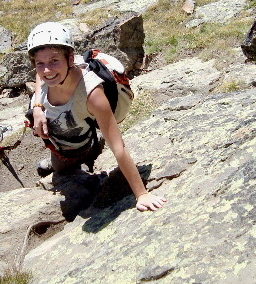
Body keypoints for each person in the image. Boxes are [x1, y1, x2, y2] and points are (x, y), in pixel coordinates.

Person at [27, 22, 166, 212]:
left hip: (77, 115)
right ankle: (77, 149)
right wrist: (37, 107)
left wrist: (141, 194)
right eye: (40, 63)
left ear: (70, 59)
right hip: (65, 119)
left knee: (63, 166)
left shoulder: (92, 94)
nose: (47, 70)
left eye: (54, 61)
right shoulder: (50, 71)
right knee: (61, 160)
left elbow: (118, 147)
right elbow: (42, 72)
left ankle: (88, 147)